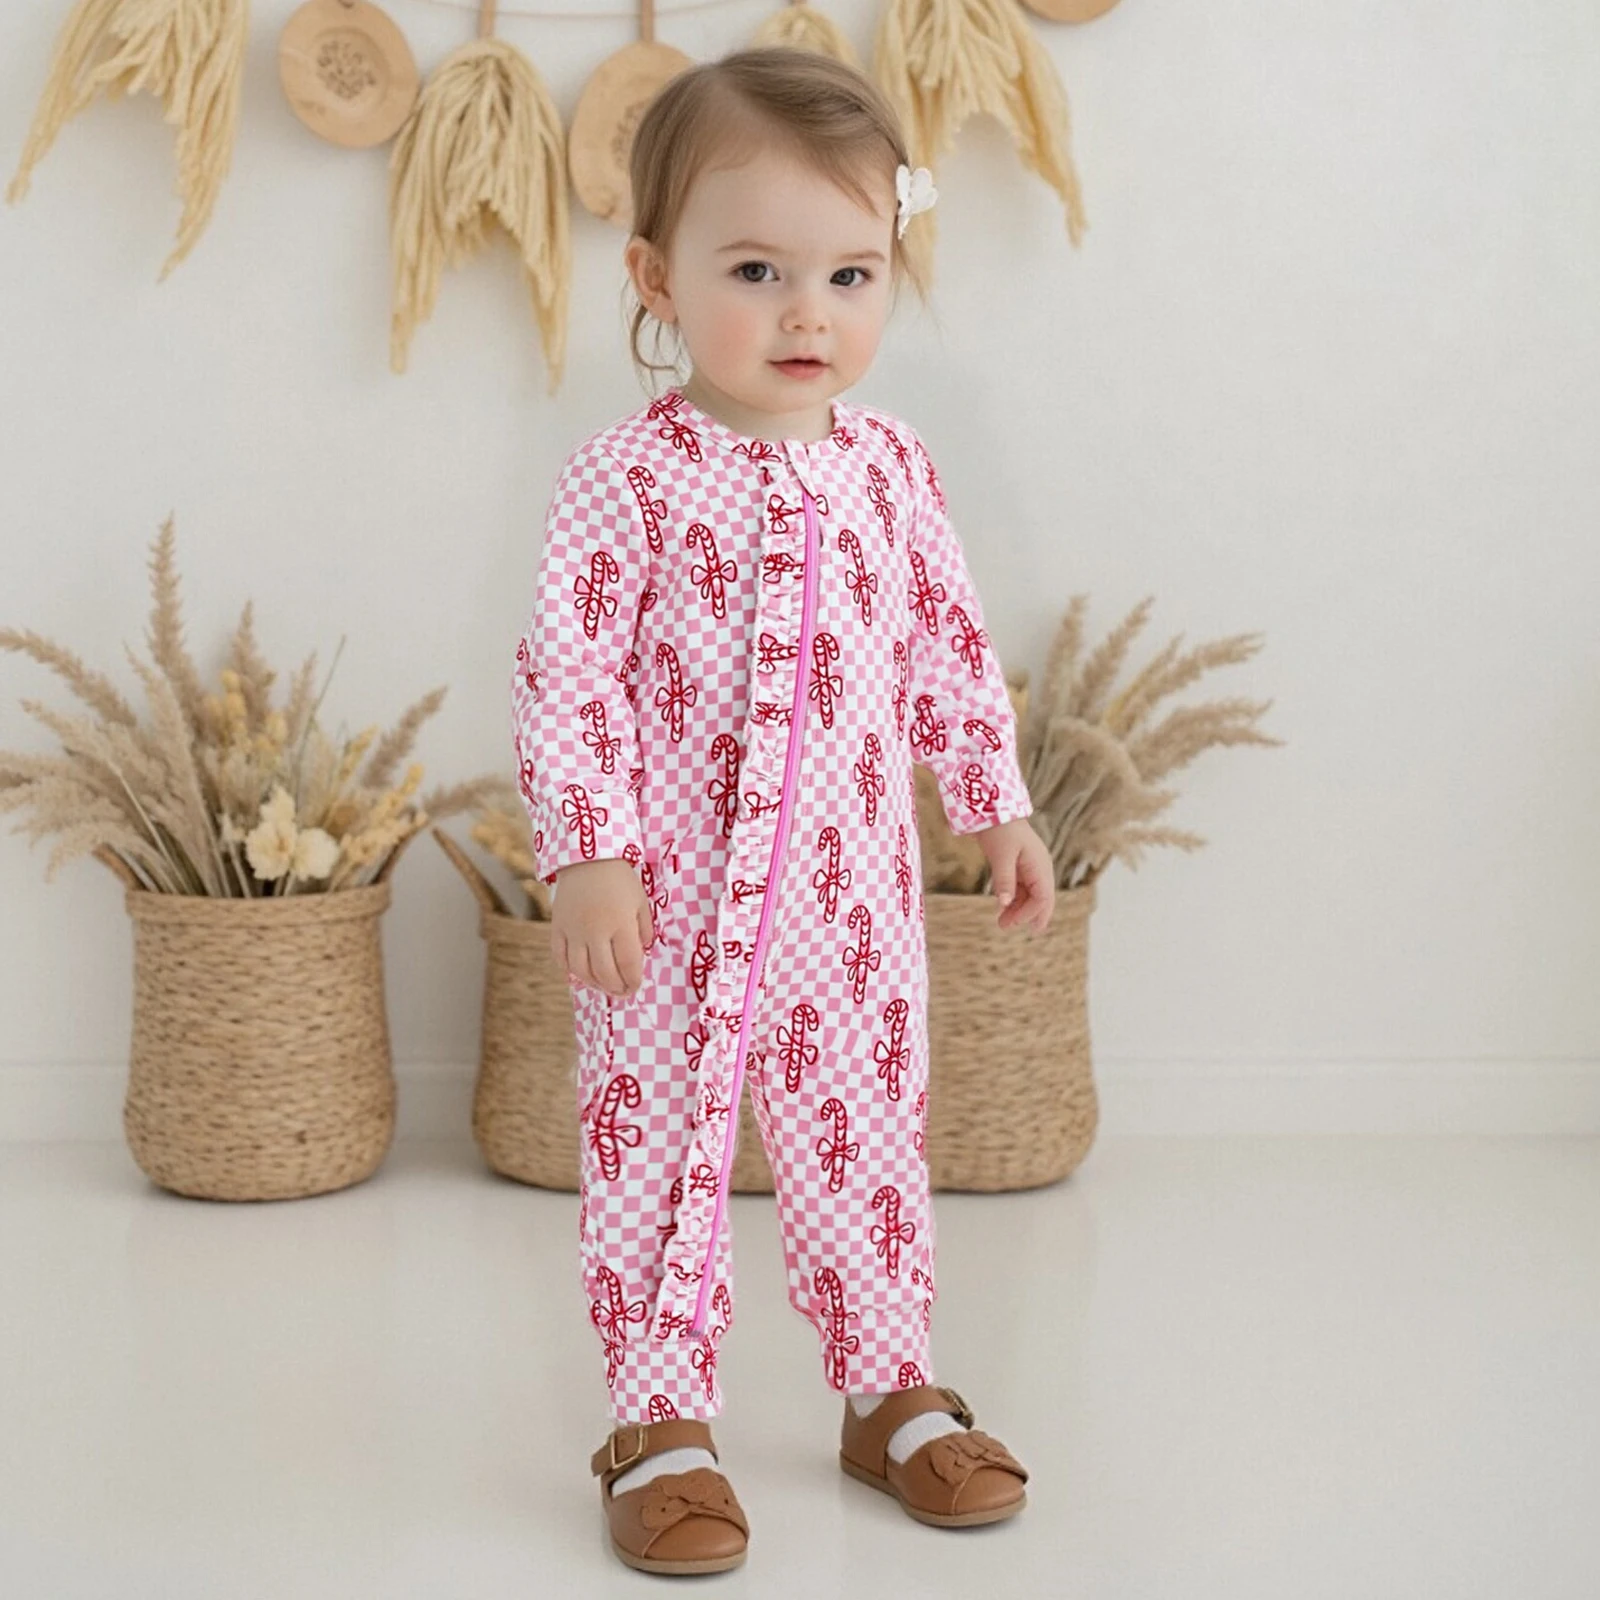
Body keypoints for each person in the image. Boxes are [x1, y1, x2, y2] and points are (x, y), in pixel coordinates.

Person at [510, 46, 1056, 1577]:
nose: (809, 312)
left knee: (868, 1140)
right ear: (656, 278)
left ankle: (891, 1393)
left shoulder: (893, 470)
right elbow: (567, 675)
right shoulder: (626, 480)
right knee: (654, 1149)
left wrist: (994, 804)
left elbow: (947, 646)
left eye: (850, 274)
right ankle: (659, 1426)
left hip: (850, 909)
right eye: (757, 271)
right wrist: (588, 853)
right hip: (665, 908)